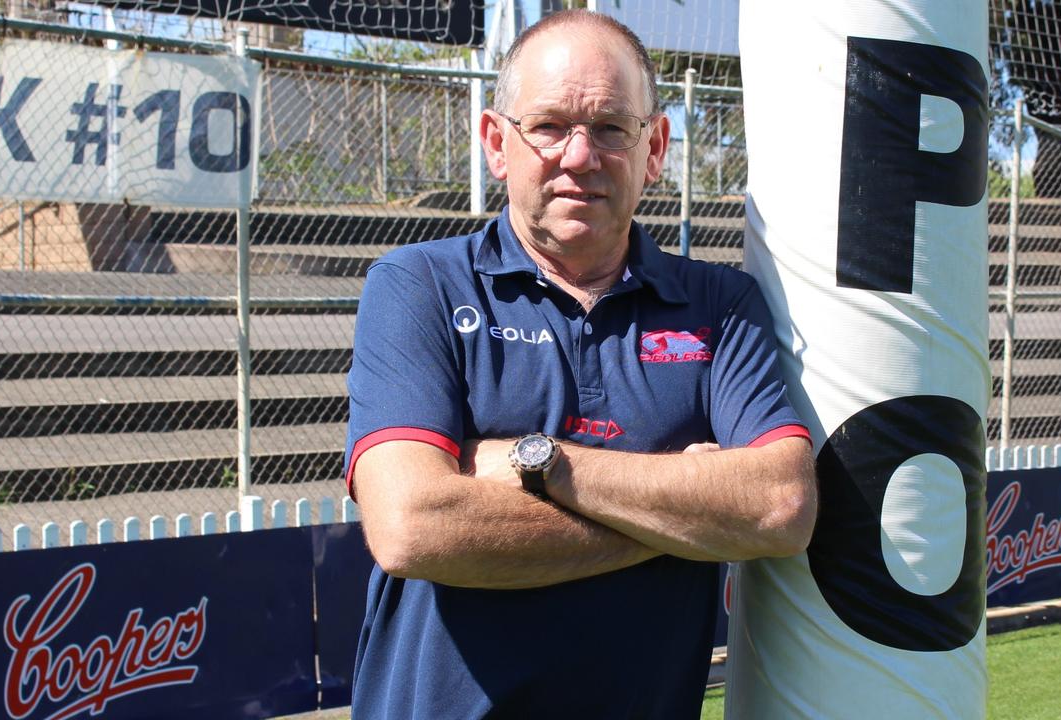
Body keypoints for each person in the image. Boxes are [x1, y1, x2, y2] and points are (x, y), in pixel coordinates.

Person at [344, 10, 817, 719]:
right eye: (548, 125)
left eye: (609, 128)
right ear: (496, 142)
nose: (578, 155)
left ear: (654, 147)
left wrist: (541, 466)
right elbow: (412, 526)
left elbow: (780, 505)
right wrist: (685, 514)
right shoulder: (420, 286)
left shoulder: (719, 303)